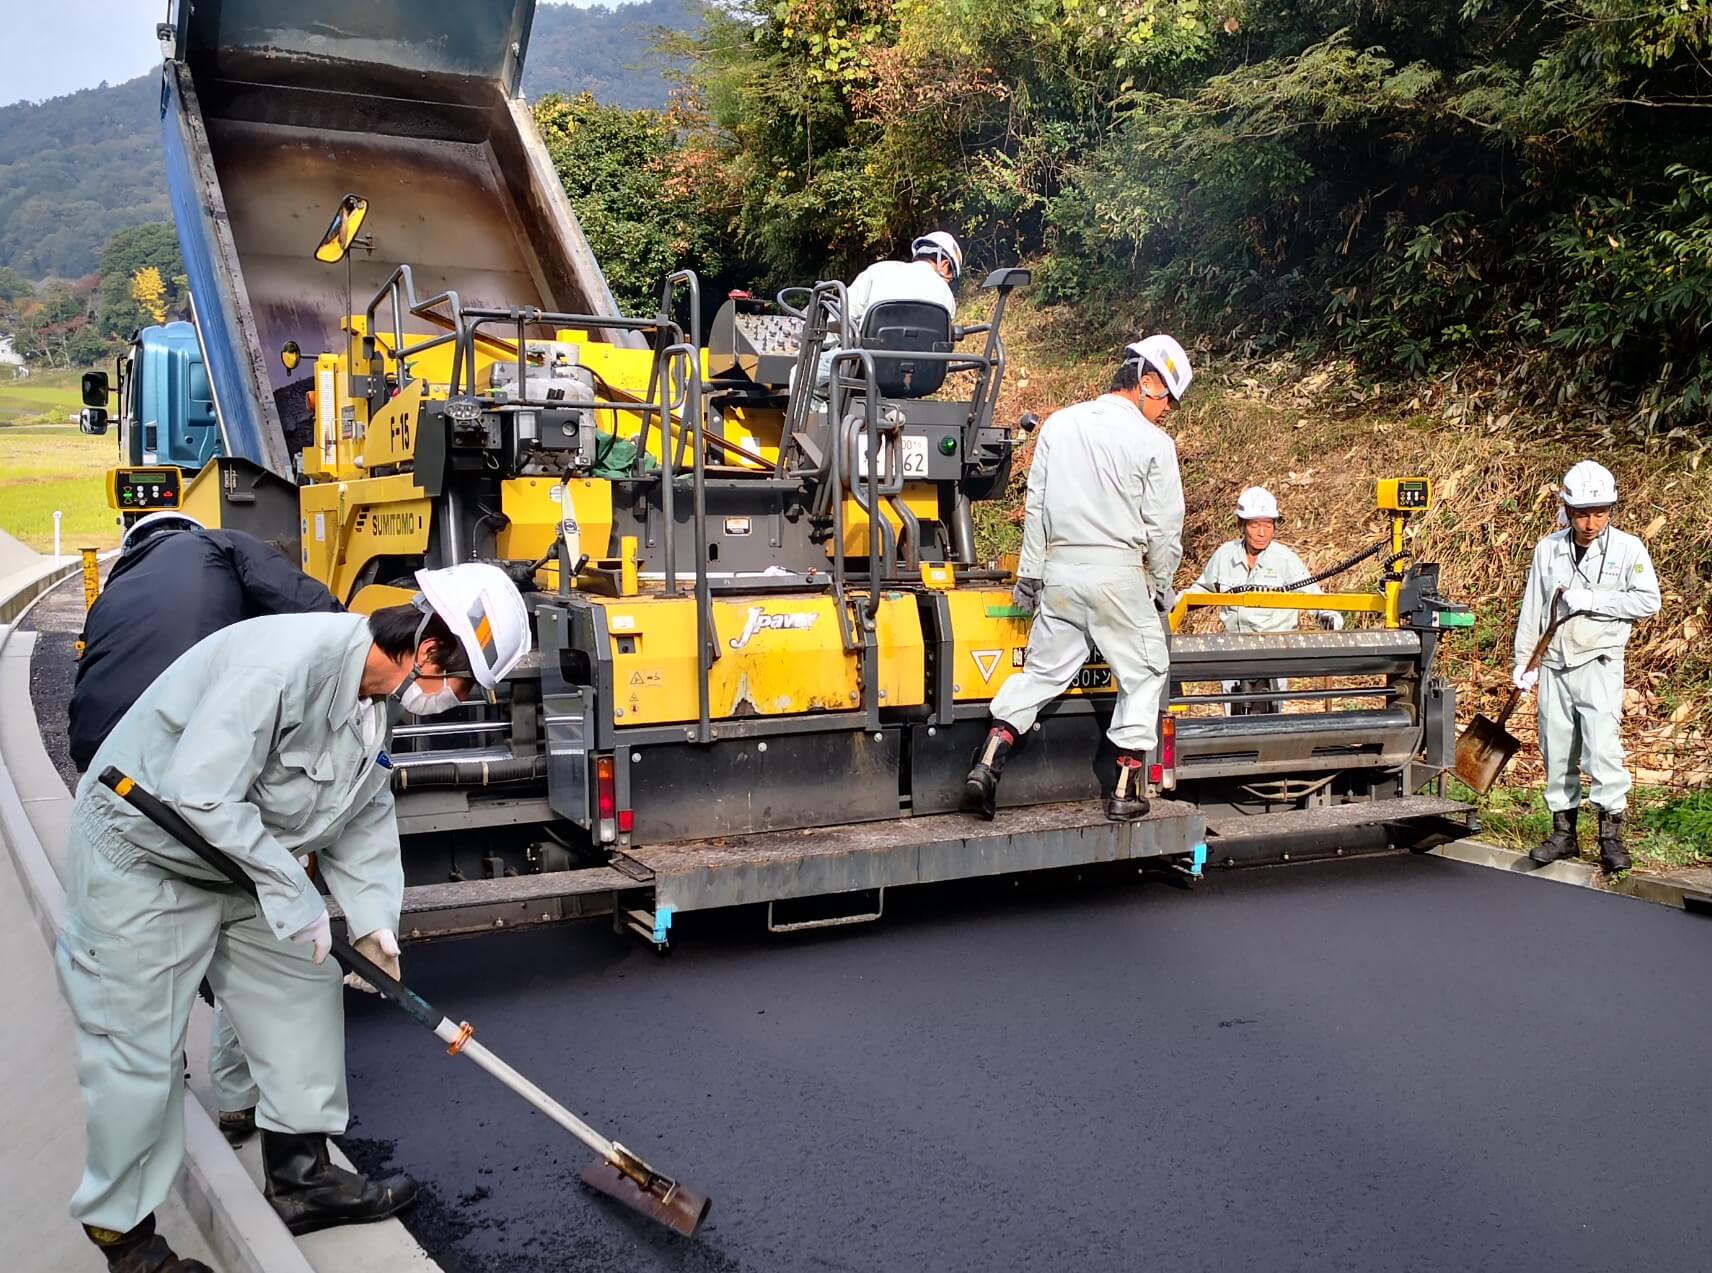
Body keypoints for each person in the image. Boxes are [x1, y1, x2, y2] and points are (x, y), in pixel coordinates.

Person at [56, 564, 530, 1273]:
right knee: (139, 1049)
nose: (454, 703)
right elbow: (201, 796)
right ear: (429, 649)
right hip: (145, 851)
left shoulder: (380, 700)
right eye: (459, 688)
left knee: (302, 984)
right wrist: (295, 893)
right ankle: (126, 1238)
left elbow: (363, 813)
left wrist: (375, 923)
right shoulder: (280, 664)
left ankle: (303, 1178)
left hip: (238, 865)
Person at [68, 511, 346, 1146]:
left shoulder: (114, 594)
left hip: (109, 769)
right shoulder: (220, 546)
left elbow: (89, 688)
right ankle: (243, 1100)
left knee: (155, 935)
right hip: (190, 744)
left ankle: (166, 1073)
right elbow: (310, 609)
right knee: (250, 913)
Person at [963, 335, 1190, 822]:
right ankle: (1126, 789)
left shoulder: (1060, 425)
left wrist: (1031, 573)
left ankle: (987, 762)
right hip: (1117, 573)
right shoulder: (1153, 442)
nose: (1166, 410)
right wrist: (1162, 586)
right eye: (1166, 397)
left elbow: (1037, 506)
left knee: (1042, 673)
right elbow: (1165, 529)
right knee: (1146, 670)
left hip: (1061, 574)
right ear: (1146, 381)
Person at [70, 511, 344, 773]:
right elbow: (302, 599)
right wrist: (358, 639)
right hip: (189, 736)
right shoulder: (217, 543)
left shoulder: (108, 596)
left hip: (98, 750)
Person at [1514, 460, 1660, 873]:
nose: (1591, 523)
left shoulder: (1628, 549)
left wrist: (1594, 600)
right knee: (1557, 748)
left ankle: (1610, 837)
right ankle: (1563, 833)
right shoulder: (1549, 549)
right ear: (1567, 509)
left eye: (1599, 513)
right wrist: (1524, 663)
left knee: (1602, 749)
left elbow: (1648, 601)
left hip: (1599, 660)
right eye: (1582, 513)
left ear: (1611, 509)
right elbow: (1534, 610)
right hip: (1556, 663)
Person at [1187, 486, 1345, 713]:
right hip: (1234, 650)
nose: (1262, 532)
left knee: (1269, 716)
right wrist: (1173, 603)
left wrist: (1328, 616)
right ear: (1241, 526)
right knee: (1233, 718)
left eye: (1268, 525)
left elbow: (1312, 595)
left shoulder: (1285, 559)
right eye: (1254, 525)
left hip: (1274, 651)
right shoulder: (1225, 555)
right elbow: (1201, 589)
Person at [813, 231, 962, 393]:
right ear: (945, 264)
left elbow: (841, 317)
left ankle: (822, 417)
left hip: (864, 371)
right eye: (951, 276)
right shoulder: (946, 296)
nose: (949, 281)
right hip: (919, 380)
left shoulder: (879, 271)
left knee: (801, 372)